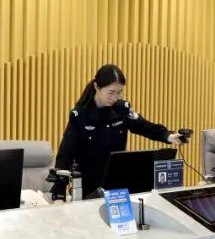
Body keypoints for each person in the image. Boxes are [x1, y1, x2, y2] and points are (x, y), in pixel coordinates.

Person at [51, 64, 187, 201]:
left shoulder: (122, 109)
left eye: (119, 92)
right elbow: (66, 154)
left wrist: (168, 136)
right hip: (90, 187)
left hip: (118, 183)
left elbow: (143, 126)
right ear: (97, 87)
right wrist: (59, 193)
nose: (115, 97)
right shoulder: (80, 116)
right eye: (111, 92)